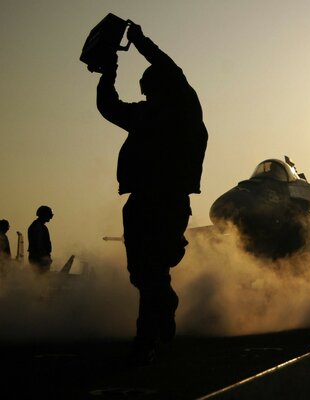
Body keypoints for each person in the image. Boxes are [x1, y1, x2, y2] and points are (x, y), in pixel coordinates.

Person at [95, 22, 208, 364]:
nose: (147, 91)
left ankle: (146, 338)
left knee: (154, 270)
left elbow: (171, 69)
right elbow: (108, 105)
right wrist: (109, 69)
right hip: (140, 201)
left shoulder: (186, 110)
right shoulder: (143, 114)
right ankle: (164, 309)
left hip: (169, 200)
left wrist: (140, 42)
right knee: (141, 274)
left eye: (151, 85)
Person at [28, 206, 53, 273]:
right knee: (41, 279)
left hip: (39, 259)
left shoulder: (38, 226)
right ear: (43, 215)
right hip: (39, 260)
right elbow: (39, 246)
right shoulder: (38, 227)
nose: (50, 218)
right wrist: (45, 258)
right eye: (49, 215)